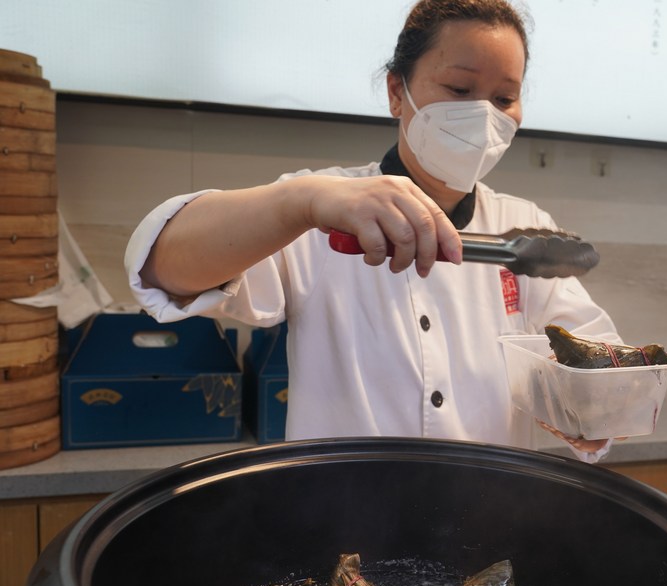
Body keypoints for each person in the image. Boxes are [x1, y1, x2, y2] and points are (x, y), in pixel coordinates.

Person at [125, 0, 622, 461]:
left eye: (504, 97)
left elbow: (599, 365)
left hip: (484, 522)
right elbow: (164, 268)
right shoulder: (320, 207)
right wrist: (302, 203)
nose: (484, 115)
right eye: (458, 90)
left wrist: (592, 409)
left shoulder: (526, 234)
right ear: (395, 92)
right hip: (341, 523)